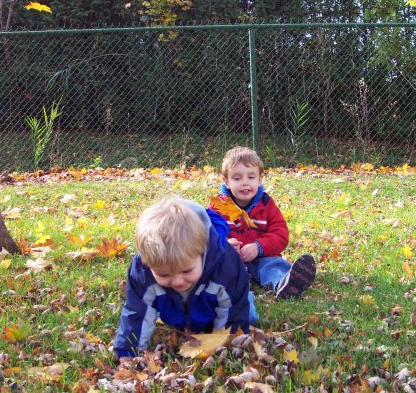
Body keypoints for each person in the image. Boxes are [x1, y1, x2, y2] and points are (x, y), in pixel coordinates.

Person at [114, 196, 252, 360]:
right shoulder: (144, 272)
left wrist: (223, 346)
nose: (178, 281)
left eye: (187, 271)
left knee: (248, 312)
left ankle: (250, 301)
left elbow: (233, 311)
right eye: (164, 274)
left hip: (212, 307)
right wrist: (129, 352)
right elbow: (136, 311)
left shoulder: (225, 268)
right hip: (176, 311)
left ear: (202, 253)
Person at [209, 146, 316, 300]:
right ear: (226, 181)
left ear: (260, 179)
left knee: (273, 265)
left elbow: (281, 234)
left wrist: (259, 247)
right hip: (231, 259)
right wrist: (224, 245)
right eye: (237, 178)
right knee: (222, 270)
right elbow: (207, 235)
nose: (245, 183)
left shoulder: (267, 205)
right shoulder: (218, 207)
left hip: (262, 257)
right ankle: (230, 291)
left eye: (251, 177)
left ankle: (284, 284)